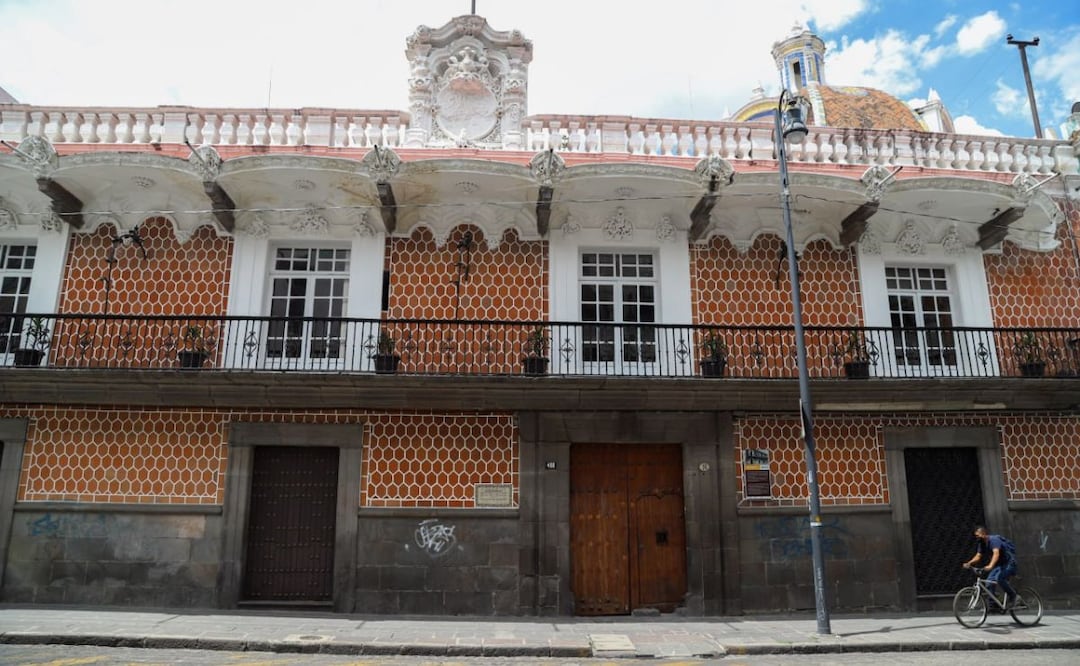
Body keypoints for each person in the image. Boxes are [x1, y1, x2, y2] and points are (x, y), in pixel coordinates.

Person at [962, 525, 1017, 608]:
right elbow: (978, 556)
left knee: (1000, 579)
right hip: (999, 565)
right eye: (975, 536)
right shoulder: (982, 543)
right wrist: (969, 563)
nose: (976, 538)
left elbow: (996, 553)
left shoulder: (994, 540)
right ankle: (993, 605)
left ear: (983, 534)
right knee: (988, 583)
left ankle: (1015, 597)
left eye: (977, 536)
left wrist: (991, 565)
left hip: (1009, 563)